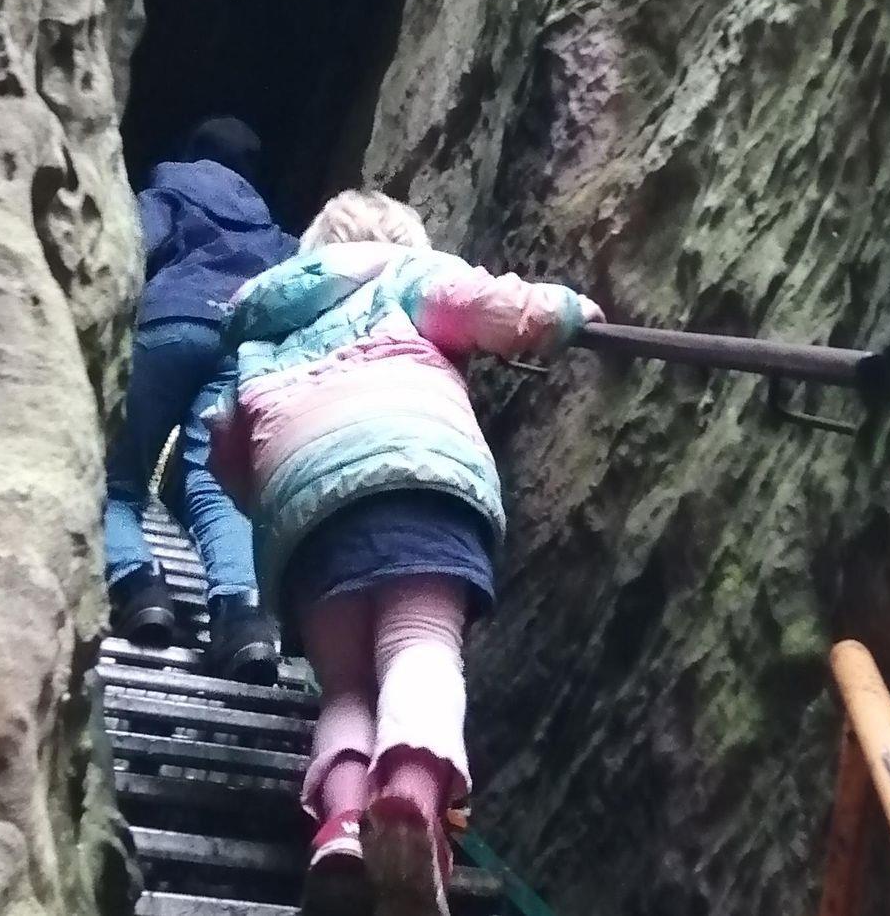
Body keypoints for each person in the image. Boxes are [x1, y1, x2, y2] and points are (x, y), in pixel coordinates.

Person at [206, 190, 602, 916]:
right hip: (417, 478)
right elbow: (488, 308)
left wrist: (282, 497)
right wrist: (567, 313)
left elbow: (229, 452)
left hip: (308, 520)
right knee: (419, 648)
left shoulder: (263, 329)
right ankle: (410, 802)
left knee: (346, 689)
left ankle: (341, 828)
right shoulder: (404, 275)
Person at [106, 116, 296, 683]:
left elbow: (131, 250)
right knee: (212, 484)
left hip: (167, 328)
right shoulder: (273, 232)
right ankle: (242, 617)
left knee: (112, 479)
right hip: (240, 344)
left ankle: (138, 586)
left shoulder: (168, 192)